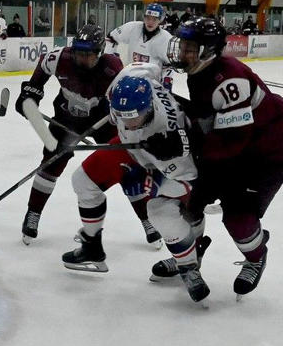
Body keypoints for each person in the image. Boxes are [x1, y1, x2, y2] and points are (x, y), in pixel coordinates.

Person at [61, 64, 209, 304]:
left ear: (148, 108)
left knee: (159, 212)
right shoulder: (133, 80)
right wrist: (107, 111)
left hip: (166, 165)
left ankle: (188, 266)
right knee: (83, 180)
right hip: (134, 147)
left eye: (132, 117)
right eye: (120, 115)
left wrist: (152, 183)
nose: (126, 122)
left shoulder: (169, 140)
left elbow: (190, 183)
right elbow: (148, 67)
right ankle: (92, 248)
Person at [163, 16, 283, 298]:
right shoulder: (201, 69)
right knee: (190, 204)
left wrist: (189, 149)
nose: (182, 52)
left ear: (208, 49)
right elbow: (211, 119)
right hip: (238, 145)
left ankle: (256, 257)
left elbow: (232, 140)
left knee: (238, 218)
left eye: (189, 47)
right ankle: (192, 254)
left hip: (267, 154)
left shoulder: (229, 80)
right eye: (182, 45)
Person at [15, 25, 161, 247]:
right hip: (65, 118)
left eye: (88, 55)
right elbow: (35, 83)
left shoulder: (113, 68)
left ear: (100, 53)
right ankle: (33, 214)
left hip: (103, 121)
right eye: (78, 54)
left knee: (126, 167)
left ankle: (147, 219)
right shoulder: (57, 58)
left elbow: (123, 101)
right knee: (50, 164)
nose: (82, 59)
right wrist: (28, 99)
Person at [105, 2, 173, 87]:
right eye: (148, 18)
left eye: (154, 19)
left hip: (152, 85)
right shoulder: (133, 27)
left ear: (160, 20)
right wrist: (110, 60)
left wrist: (167, 81)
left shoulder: (166, 38)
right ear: (144, 18)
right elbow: (111, 38)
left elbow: (169, 65)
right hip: (129, 80)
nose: (150, 22)